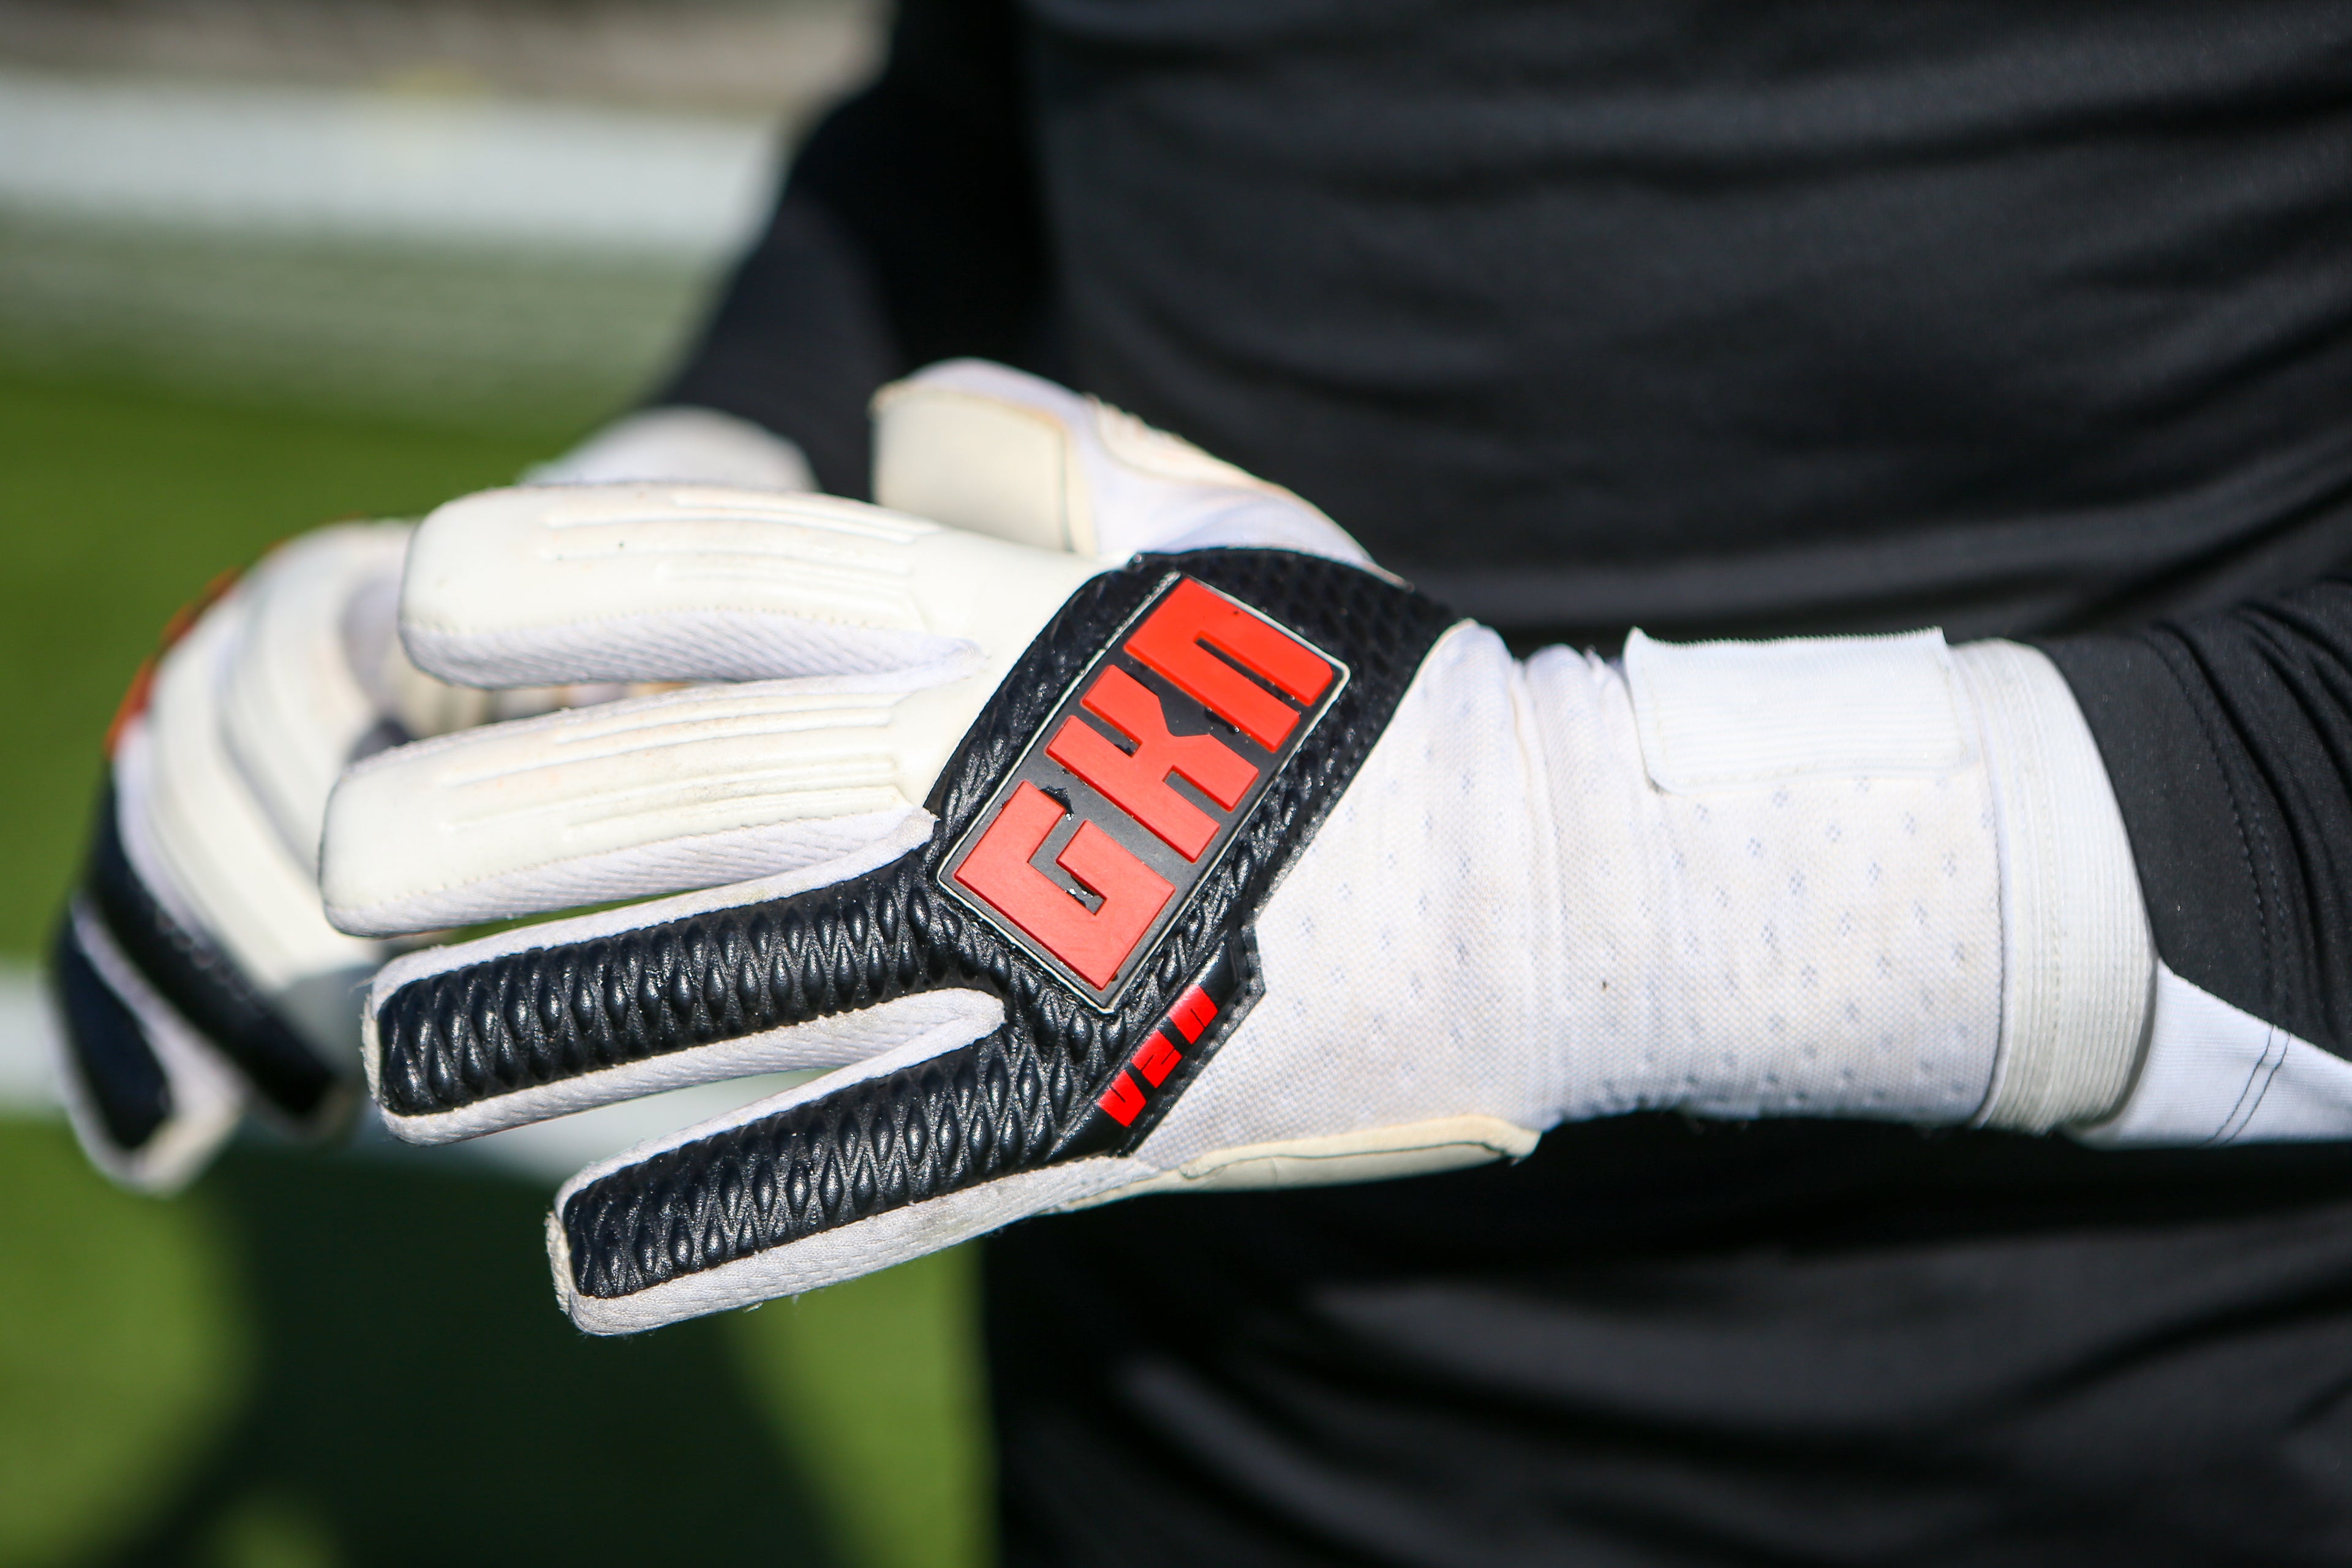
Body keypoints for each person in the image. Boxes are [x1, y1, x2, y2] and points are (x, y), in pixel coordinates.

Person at [53, 2, 2352, 1562]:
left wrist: (1585, 880)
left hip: (2120, 1457)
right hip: (1160, 1438)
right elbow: (1010, 108)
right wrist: (669, 504)